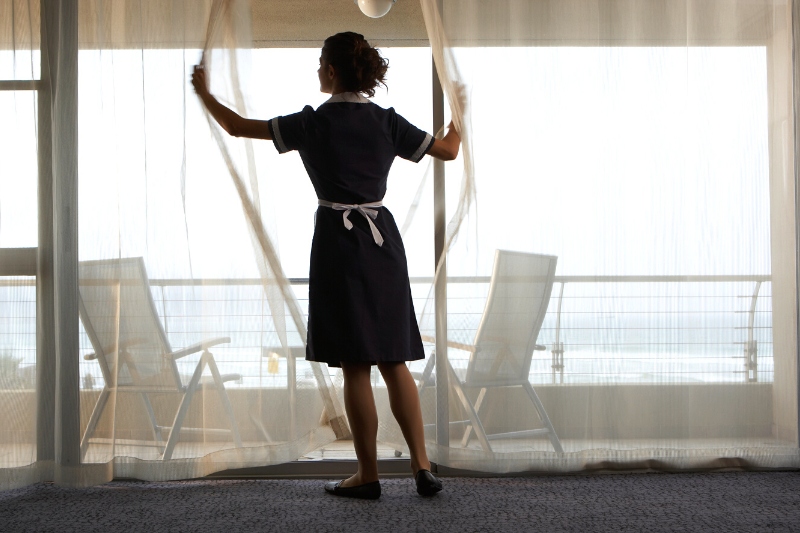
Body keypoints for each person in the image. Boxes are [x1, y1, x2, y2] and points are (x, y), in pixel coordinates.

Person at [192, 31, 461, 500]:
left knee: (356, 365)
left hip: (338, 243)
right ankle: (421, 467)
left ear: (332, 71)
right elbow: (449, 149)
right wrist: (461, 111)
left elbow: (236, 126)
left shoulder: (312, 123)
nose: (318, 70)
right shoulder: (386, 122)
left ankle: (368, 474)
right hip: (384, 245)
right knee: (394, 359)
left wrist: (204, 94)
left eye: (320, 63)